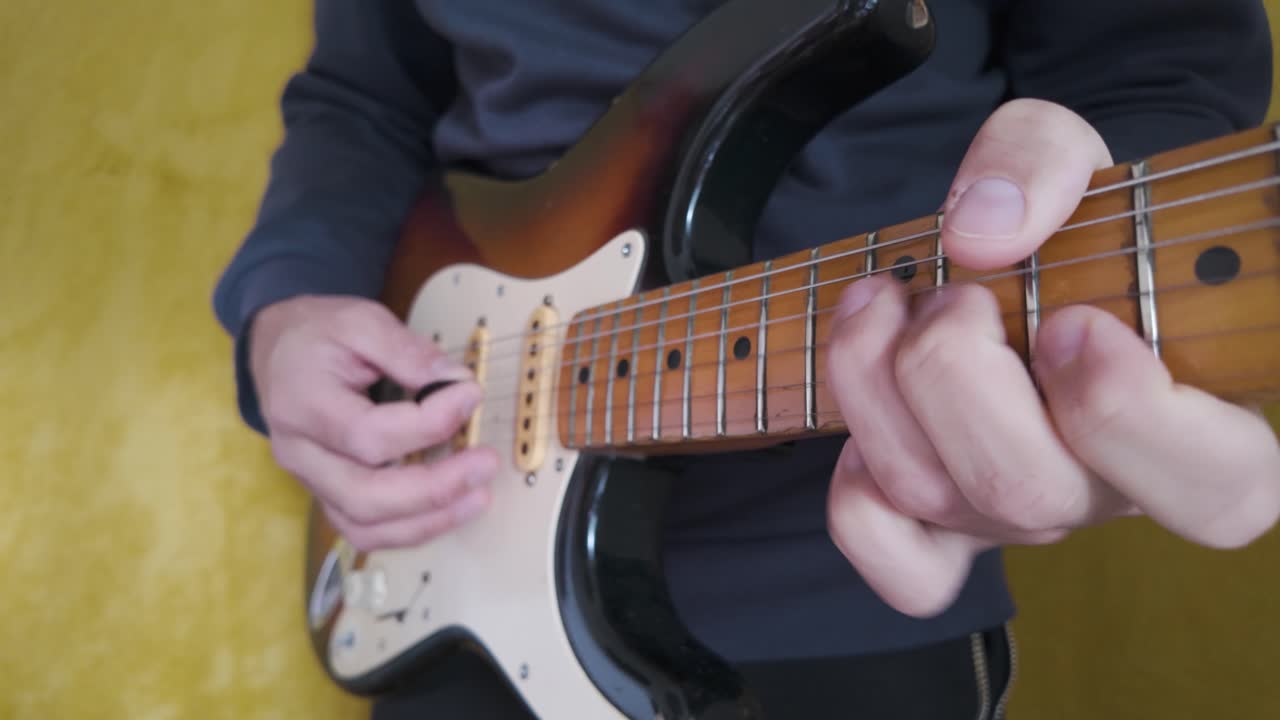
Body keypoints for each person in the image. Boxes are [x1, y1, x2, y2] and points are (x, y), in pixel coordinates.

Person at [212, 1, 1279, 718]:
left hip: (847, 584)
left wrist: (1087, 323)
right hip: (452, 558)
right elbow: (363, 97)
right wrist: (289, 300)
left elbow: (1154, 62)